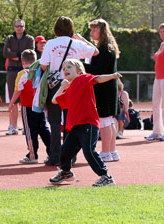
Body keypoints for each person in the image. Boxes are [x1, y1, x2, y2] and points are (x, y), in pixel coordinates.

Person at [49, 59, 120, 186]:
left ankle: (106, 176)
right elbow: (54, 100)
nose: (65, 70)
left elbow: (98, 79)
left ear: (79, 71)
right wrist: (62, 87)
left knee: (89, 151)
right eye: (64, 68)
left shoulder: (83, 78)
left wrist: (112, 76)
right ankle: (66, 173)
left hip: (88, 123)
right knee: (65, 150)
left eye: (69, 67)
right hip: (75, 126)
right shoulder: (69, 90)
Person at [40, 16, 99, 166]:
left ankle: (54, 155)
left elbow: (43, 65)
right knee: (70, 121)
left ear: (56, 28)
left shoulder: (51, 43)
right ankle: (70, 156)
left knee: (53, 121)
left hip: (55, 85)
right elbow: (95, 52)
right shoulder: (77, 43)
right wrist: (82, 39)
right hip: (74, 84)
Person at [79, 18, 120, 162]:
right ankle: (112, 151)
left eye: (94, 29)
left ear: (102, 31)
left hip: (104, 90)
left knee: (105, 121)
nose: (92, 32)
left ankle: (106, 152)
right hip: (108, 89)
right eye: (91, 29)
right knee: (109, 120)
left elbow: (99, 70)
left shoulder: (104, 49)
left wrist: (80, 67)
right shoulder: (106, 47)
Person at [8, 50, 51, 164]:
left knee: (30, 131)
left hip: (27, 106)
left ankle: (32, 155)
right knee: (43, 128)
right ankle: (53, 151)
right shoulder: (40, 71)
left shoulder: (22, 74)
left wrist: (11, 103)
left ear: (22, 61)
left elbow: (17, 90)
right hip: (39, 105)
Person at [3, 19, 34, 135]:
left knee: (27, 99)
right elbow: (5, 53)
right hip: (12, 72)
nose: (19, 28)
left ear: (24, 27)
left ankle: (27, 126)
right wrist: (20, 54)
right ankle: (13, 126)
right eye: (17, 26)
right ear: (14, 27)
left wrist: (14, 54)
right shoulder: (9, 38)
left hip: (26, 71)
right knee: (13, 99)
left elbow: (31, 53)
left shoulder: (30, 39)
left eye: (21, 26)